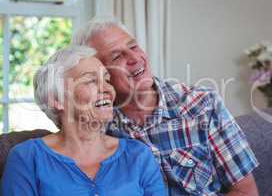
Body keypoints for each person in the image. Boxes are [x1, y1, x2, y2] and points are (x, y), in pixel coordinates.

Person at [72, 19, 260, 196]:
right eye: (117, 56)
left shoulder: (203, 104)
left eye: (133, 46)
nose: (135, 58)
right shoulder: (98, 125)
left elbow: (246, 191)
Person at [1, 46, 166, 196]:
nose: (108, 89)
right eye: (90, 81)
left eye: (107, 80)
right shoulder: (27, 158)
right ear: (57, 100)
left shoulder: (138, 156)